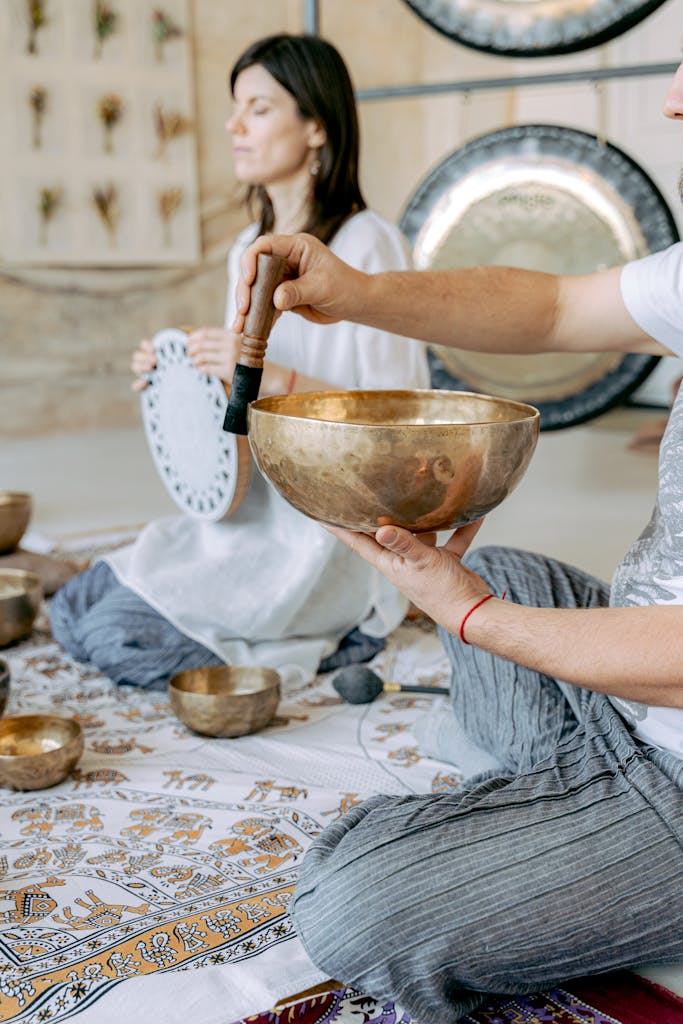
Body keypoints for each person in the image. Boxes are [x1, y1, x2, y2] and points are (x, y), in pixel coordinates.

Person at [233, 50, 683, 1024]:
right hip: (638, 701)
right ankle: (563, 811)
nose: (671, 97)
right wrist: (354, 289)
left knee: (350, 906)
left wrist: (473, 616)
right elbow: (554, 305)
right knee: (503, 569)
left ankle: (581, 833)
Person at [50, 34, 429, 689]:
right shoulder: (244, 250)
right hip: (254, 509)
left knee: (114, 637)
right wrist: (180, 374)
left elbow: (399, 425)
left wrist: (264, 374)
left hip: (323, 533)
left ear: (315, 126)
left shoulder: (368, 243)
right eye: (236, 108)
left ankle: (341, 636)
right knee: (74, 609)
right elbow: (237, 410)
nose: (233, 125)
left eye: (257, 108)